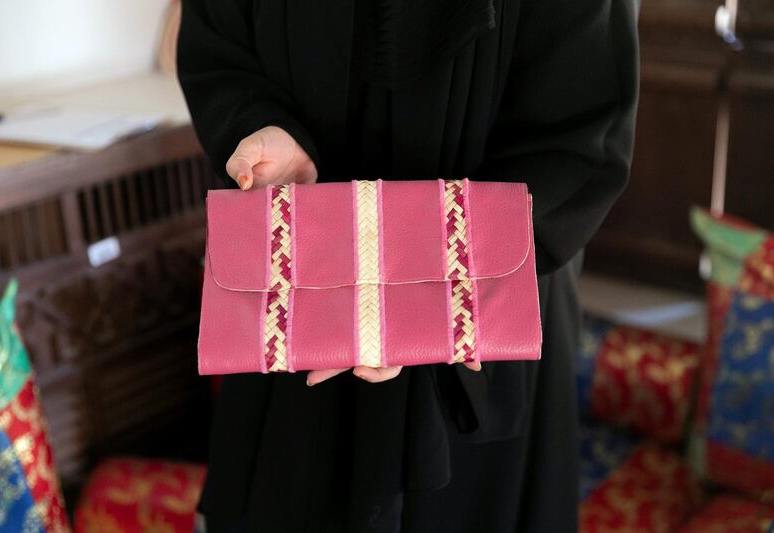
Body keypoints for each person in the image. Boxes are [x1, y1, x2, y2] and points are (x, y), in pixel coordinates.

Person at [177, 0, 639, 530]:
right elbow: (216, 48)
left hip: (480, 311)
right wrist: (257, 125)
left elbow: (585, 131)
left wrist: (417, 287)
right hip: (296, 294)